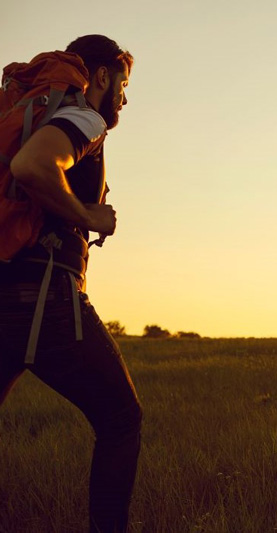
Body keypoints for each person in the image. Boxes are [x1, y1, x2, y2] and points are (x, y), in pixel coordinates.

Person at [0, 35, 140, 533]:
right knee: (122, 421)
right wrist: (88, 215)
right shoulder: (84, 115)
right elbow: (32, 166)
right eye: (123, 84)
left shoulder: (18, 112)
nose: (124, 97)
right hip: (44, 296)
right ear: (101, 76)